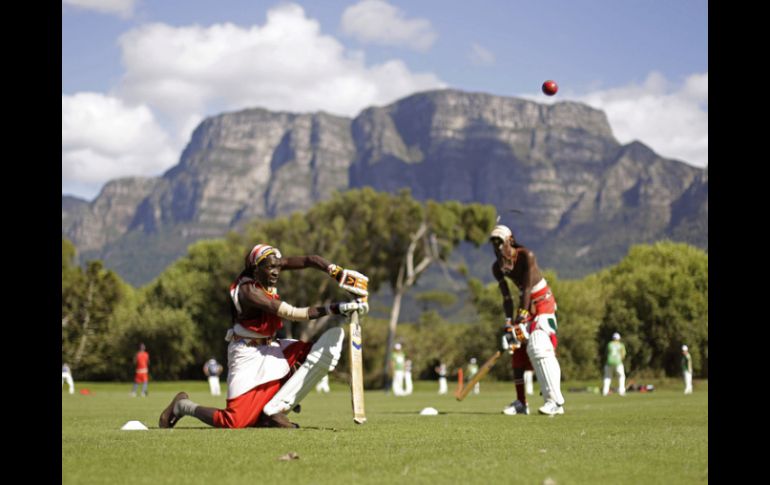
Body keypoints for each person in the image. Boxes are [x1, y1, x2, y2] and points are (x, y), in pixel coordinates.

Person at [159, 243, 369, 429]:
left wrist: (338, 273)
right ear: (255, 268)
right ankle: (183, 406)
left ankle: (273, 412)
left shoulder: (267, 268)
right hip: (246, 353)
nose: (276, 271)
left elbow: (309, 260)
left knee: (315, 353)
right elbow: (294, 314)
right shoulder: (248, 291)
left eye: (278, 266)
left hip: (272, 347)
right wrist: (338, 308)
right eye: (270, 267)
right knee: (233, 422)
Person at [492, 224, 566, 416]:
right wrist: (509, 324)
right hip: (525, 305)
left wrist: (521, 318)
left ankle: (555, 401)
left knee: (538, 346)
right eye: (494, 243)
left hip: (542, 302)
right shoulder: (496, 267)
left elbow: (527, 289)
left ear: (510, 241)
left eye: (500, 242)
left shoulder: (526, 256)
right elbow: (507, 298)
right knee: (517, 352)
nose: (497, 247)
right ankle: (521, 403)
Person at [602, 332, 627, 396]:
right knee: (621, 376)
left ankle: (605, 391)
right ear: (619, 338)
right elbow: (623, 355)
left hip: (609, 362)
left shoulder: (609, 344)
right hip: (618, 363)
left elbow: (606, 353)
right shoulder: (621, 345)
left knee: (607, 377)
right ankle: (621, 391)